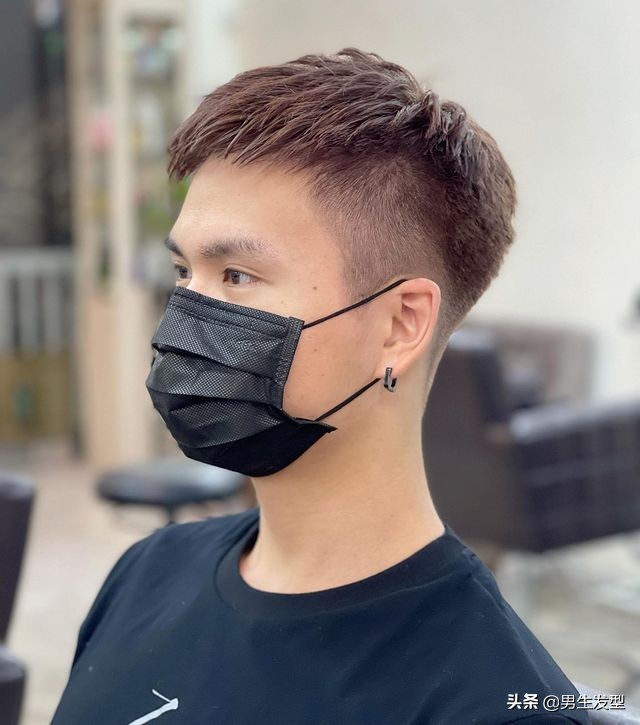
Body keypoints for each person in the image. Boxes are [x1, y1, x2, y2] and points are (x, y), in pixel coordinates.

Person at [52, 48, 592, 724]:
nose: (185, 316)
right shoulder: (145, 573)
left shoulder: (498, 706)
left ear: (399, 324)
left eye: (237, 276)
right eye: (184, 272)